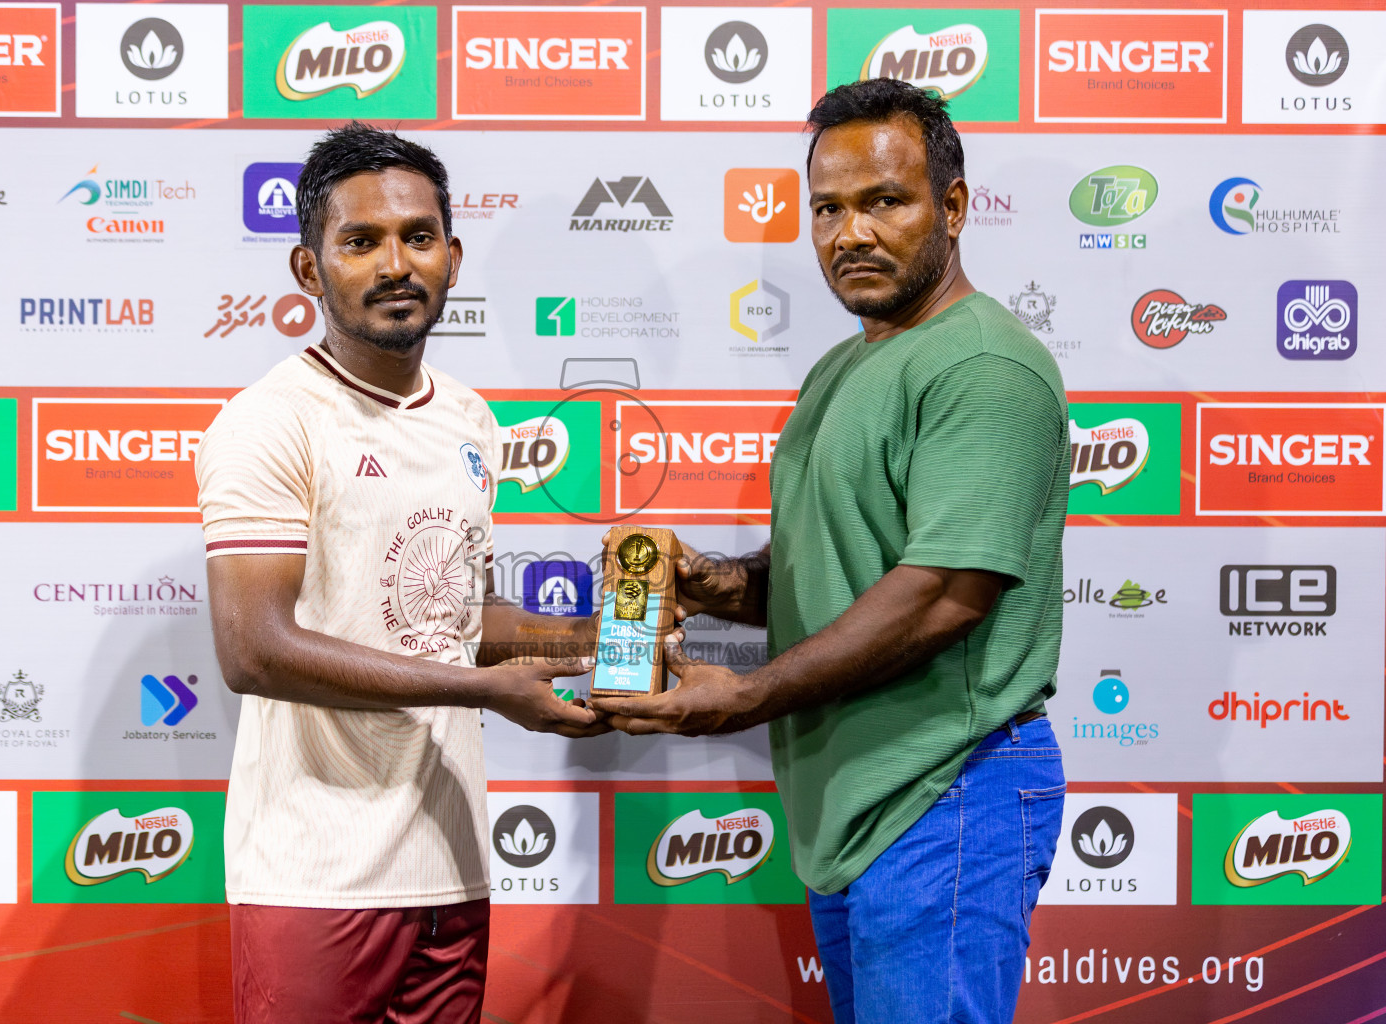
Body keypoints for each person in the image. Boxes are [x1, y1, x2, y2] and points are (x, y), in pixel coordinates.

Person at [592, 79, 1070, 1024]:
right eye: (828, 208)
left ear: (955, 206)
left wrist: (746, 696)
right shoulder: (845, 365)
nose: (851, 233)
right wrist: (711, 581)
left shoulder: (984, 365)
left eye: (885, 202)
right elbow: (826, 572)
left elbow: (943, 595)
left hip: (945, 791)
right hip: (859, 799)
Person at [195, 123, 608, 1024]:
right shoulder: (270, 422)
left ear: (452, 257)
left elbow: (456, 613)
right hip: (315, 876)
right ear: (310, 269)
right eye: (360, 241)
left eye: (418, 237)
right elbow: (254, 651)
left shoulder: (467, 416)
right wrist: (485, 692)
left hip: (450, 865)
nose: (396, 264)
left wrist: (611, 638)